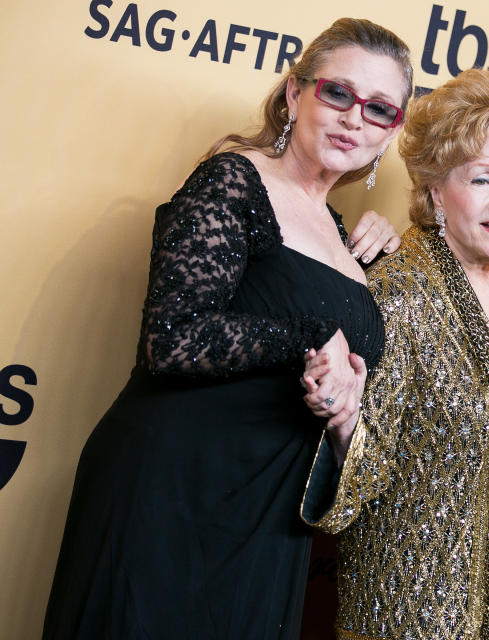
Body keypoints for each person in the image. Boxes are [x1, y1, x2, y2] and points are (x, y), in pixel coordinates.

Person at [43, 18, 412, 640]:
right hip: (171, 492)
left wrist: (344, 404)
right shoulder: (232, 180)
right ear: (295, 93)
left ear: (392, 131)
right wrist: (310, 333)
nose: (355, 119)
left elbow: (344, 379)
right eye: (337, 93)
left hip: (269, 517)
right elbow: (173, 340)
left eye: (379, 109)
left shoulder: (349, 237)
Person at [300, 69, 489, 639]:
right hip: (413, 609)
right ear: (433, 189)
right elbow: (363, 473)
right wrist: (344, 421)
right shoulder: (397, 289)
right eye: (482, 181)